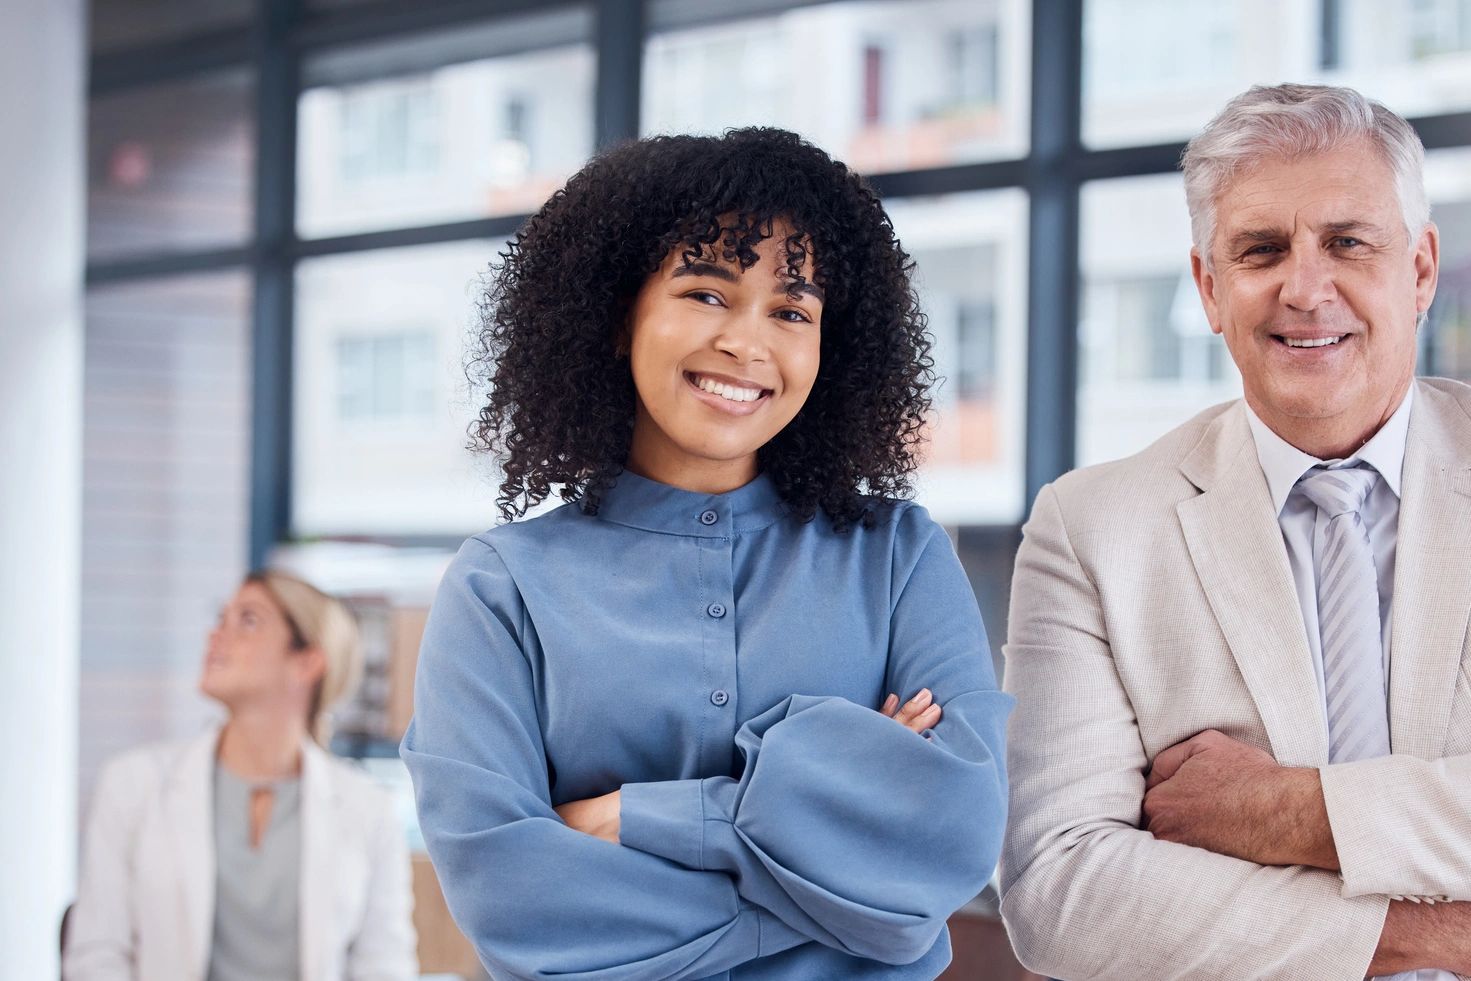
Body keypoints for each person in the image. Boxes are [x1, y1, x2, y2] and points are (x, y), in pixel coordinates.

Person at [400, 127, 1011, 979]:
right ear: (619, 315)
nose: (747, 343)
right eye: (706, 292)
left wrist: (629, 818)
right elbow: (508, 894)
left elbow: (950, 836)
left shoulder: (900, 559)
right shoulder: (501, 588)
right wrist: (836, 871)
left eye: (792, 310)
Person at [1000, 82, 1471, 979]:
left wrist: (1284, 812)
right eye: (1261, 251)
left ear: (1417, 271)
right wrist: (1439, 935)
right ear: (1209, 289)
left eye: (1346, 243)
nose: (1304, 288)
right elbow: (1060, 890)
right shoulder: (1089, 529)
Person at [64, 571, 418, 981]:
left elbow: (384, 967)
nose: (215, 635)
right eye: (221, 618)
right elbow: (96, 958)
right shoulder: (132, 786)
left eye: (248, 620)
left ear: (307, 661)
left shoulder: (368, 811)